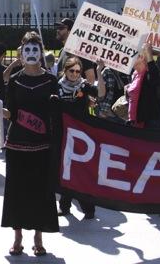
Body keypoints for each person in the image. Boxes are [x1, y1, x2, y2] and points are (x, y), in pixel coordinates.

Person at [1, 32, 59, 257]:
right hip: (17, 144)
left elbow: (57, 113)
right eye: (27, 50)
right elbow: (10, 112)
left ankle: (38, 236)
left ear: (41, 53)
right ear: (21, 53)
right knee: (16, 191)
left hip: (42, 145)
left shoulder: (51, 80)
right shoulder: (15, 80)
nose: (32, 53)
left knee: (40, 191)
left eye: (36, 49)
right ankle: (17, 238)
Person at [55, 56, 105, 219]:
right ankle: (64, 206)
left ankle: (88, 208)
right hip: (63, 134)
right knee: (66, 169)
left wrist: (99, 72)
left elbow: (101, 94)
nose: (75, 74)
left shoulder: (84, 85)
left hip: (82, 136)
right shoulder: (57, 86)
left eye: (78, 71)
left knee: (82, 170)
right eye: (72, 71)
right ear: (65, 70)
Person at [125, 43, 160, 128]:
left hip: (148, 122)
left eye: (131, 55)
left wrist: (148, 53)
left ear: (141, 57)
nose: (128, 58)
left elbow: (154, 78)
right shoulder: (135, 73)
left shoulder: (147, 73)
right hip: (135, 121)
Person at [55, 18, 96, 82]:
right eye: (58, 28)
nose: (58, 30)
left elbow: (91, 77)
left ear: (70, 31)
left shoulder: (81, 52)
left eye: (61, 28)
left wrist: (80, 92)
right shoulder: (62, 51)